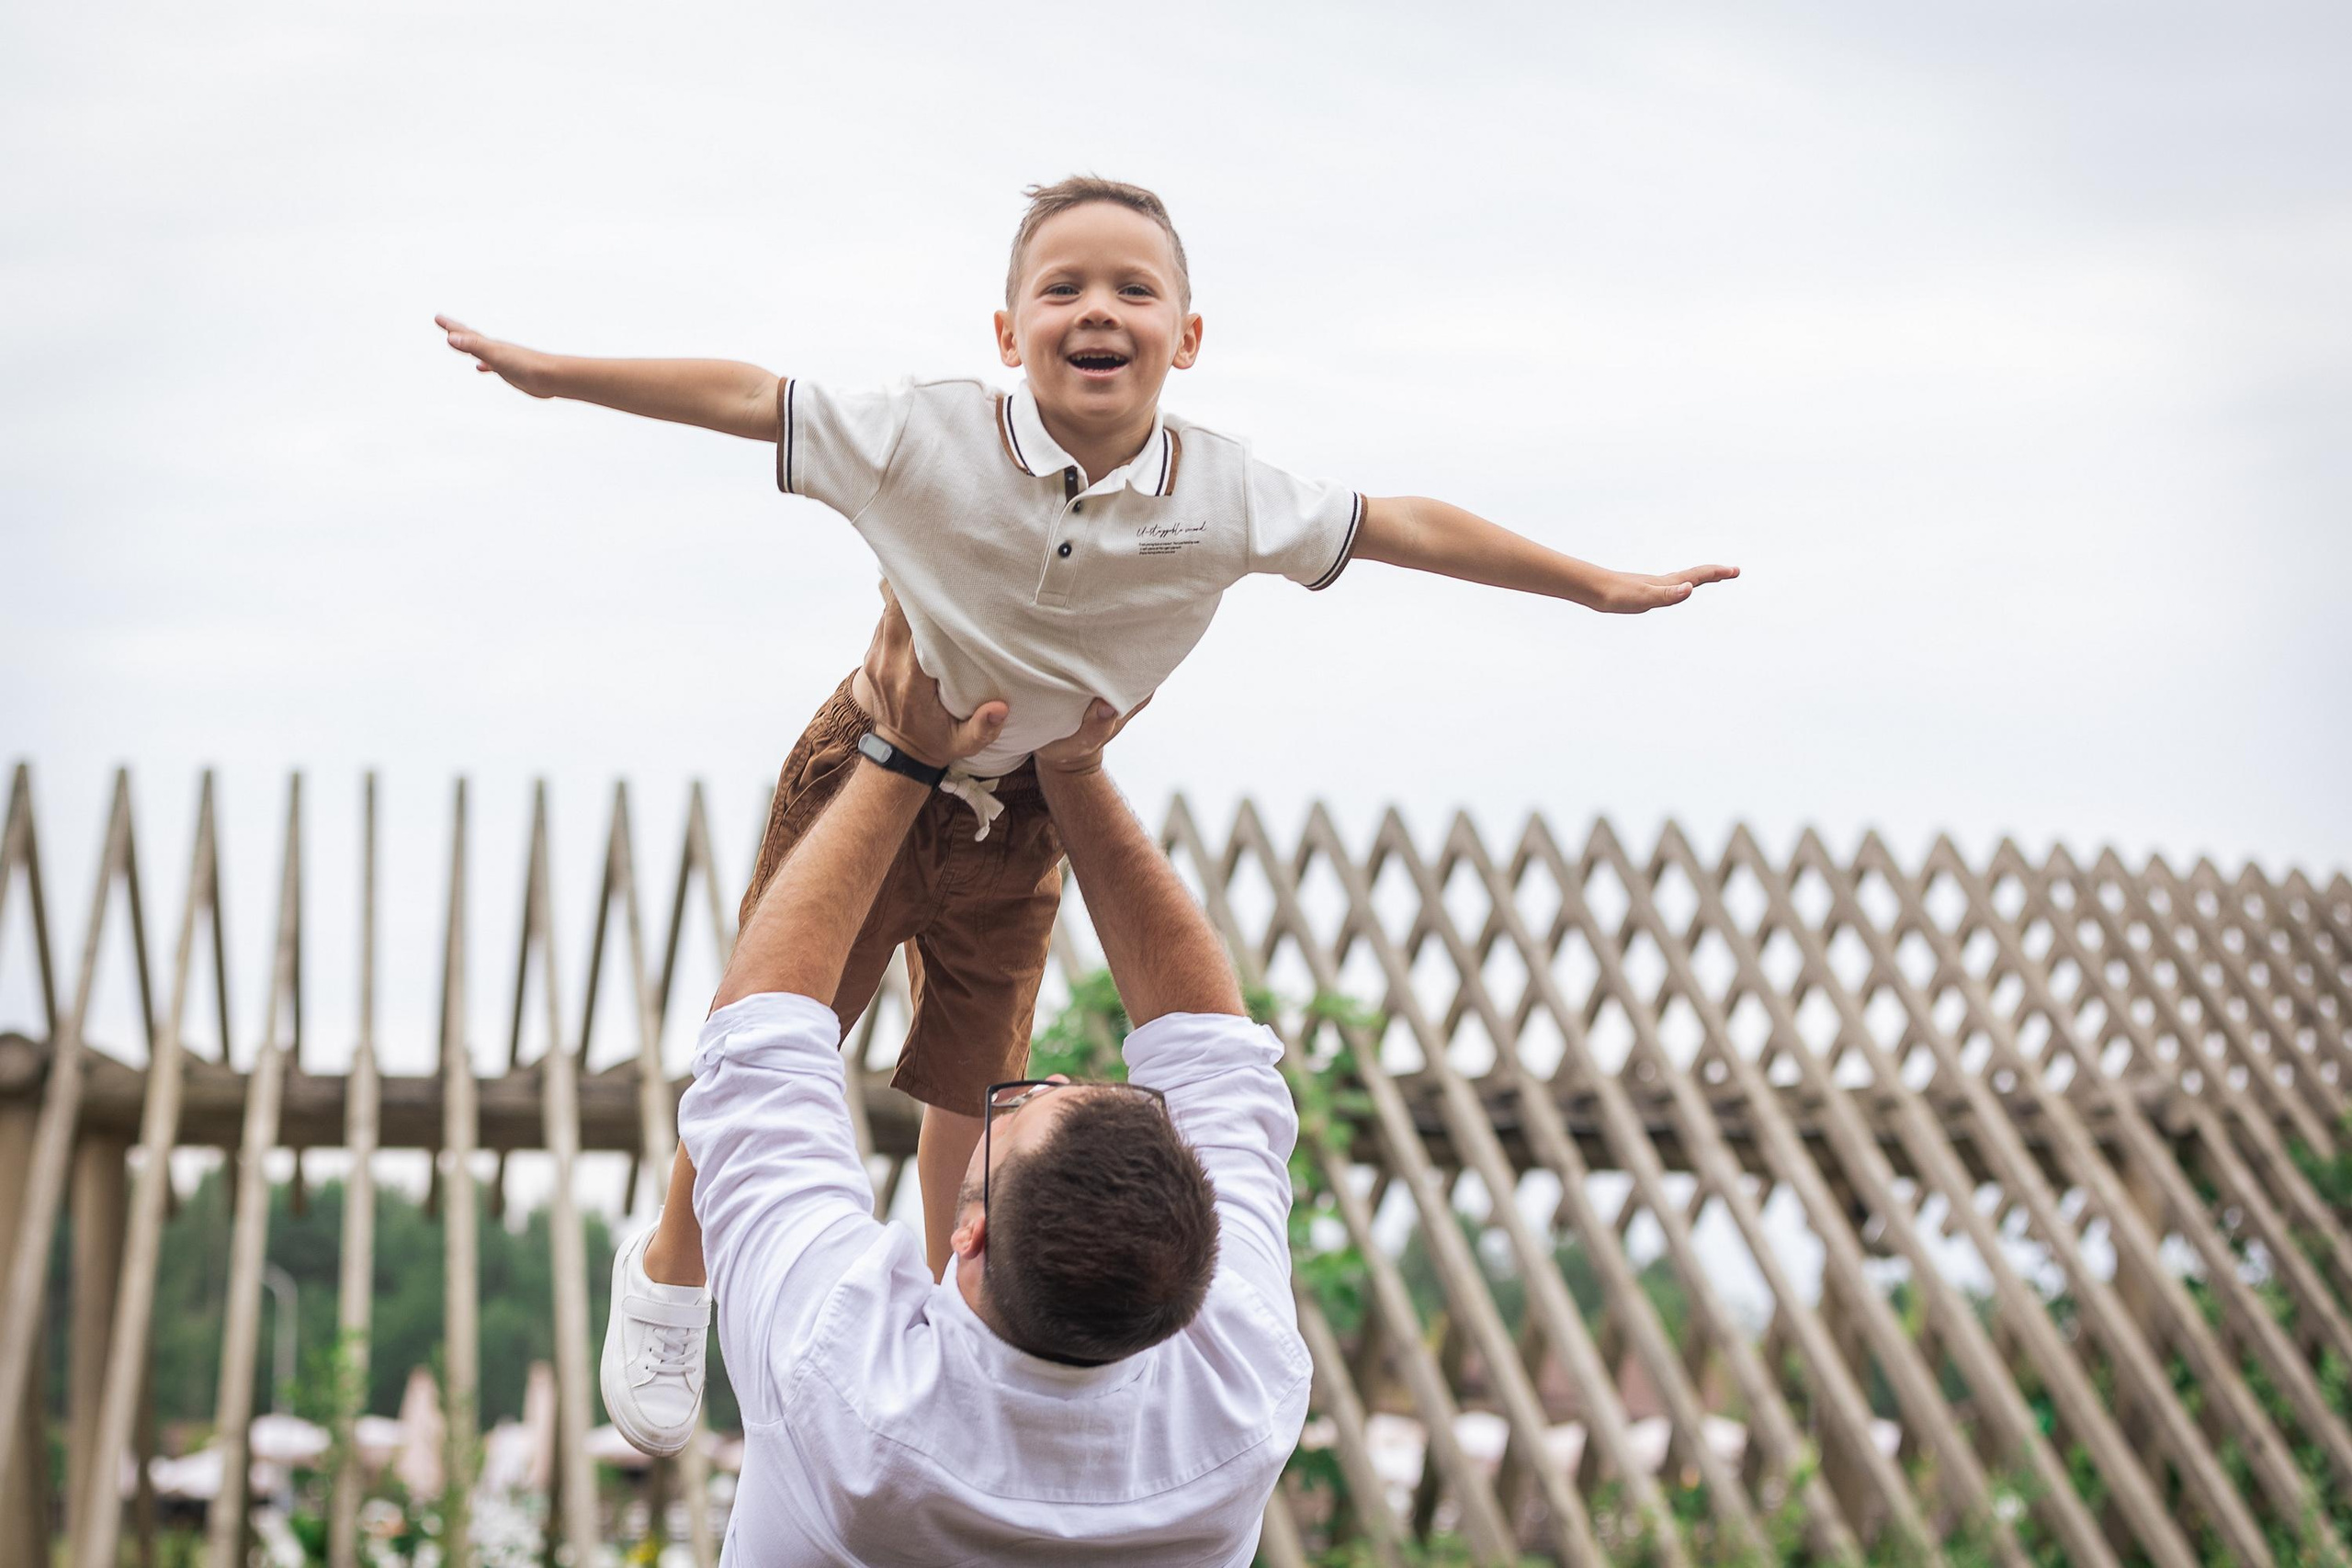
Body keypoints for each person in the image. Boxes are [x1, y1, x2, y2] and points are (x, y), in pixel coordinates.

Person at [438, 175, 1737, 1452]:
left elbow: (1405, 524)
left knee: (975, 1073)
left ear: (1187, 334)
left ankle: (952, 1303)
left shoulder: (1225, 495)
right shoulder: (923, 435)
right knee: (784, 1027)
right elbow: (749, 396)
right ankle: (674, 1260)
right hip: (876, 764)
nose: (1098, 309)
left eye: (1134, 289)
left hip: (1026, 809)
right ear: (1010, 333)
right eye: (1062, 289)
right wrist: (560, 375)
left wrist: (1590, 585)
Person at [643, 595, 1311, 1563]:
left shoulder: (846, 1383)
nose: (1040, 1078)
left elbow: (757, 1035)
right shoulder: (1233, 1411)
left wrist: (900, 757)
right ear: (1201, 1262)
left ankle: (663, 1265)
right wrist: (1072, 771)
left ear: (970, 1235)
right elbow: (1217, 1050)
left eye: (1020, 1107)